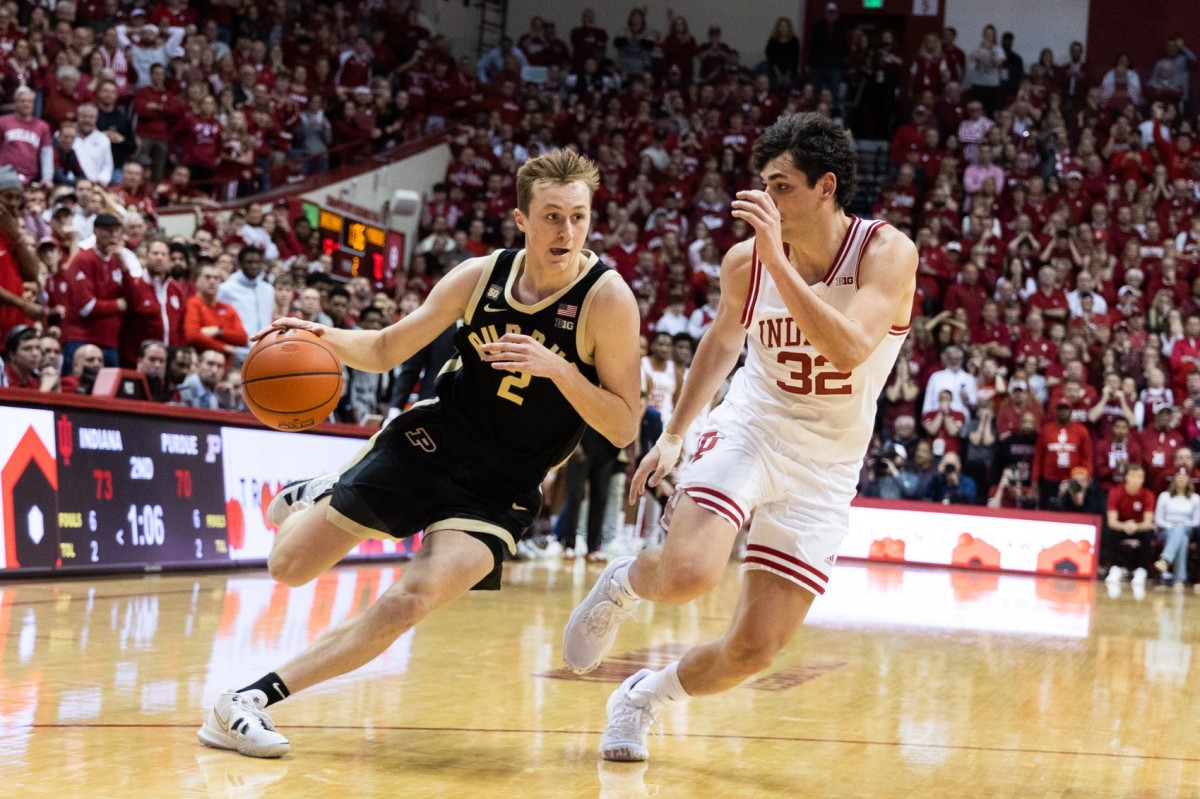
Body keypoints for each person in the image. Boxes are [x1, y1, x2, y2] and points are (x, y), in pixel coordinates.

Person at [197, 149, 641, 758]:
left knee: (412, 598)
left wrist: (560, 370)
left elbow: (620, 426)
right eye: (552, 217)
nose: (566, 232)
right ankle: (321, 491)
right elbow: (384, 348)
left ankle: (245, 703)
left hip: (501, 488)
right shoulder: (480, 277)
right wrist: (317, 336)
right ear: (521, 219)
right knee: (288, 567)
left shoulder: (606, 300)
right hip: (431, 445)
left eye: (579, 217)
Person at [561, 112, 917, 762]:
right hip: (751, 426)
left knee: (754, 650)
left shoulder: (885, 252)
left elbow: (849, 349)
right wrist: (674, 432)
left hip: (827, 466)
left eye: (781, 185)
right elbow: (724, 340)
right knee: (692, 571)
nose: (765, 198)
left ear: (825, 187)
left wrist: (778, 263)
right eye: (763, 182)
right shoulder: (744, 262)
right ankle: (625, 581)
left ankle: (641, 697)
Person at [1104, 463, 1156, 586]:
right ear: (1126, 477)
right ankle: (1114, 568)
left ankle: (1141, 570)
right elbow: (1112, 521)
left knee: (1148, 533)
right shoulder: (1115, 492)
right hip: (1121, 527)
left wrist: (1135, 526)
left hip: (1138, 528)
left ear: (1143, 480)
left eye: (1139, 477)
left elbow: (1147, 522)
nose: (1136, 480)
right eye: (1133, 476)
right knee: (1110, 532)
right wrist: (1124, 526)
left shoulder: (1148, 495)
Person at [1154, 467, 1199, 587]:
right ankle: (1179, 579)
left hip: (1187, 528)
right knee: (1182, 539)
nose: (1182, 480)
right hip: (1166, 529)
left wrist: (1182, 525)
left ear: (1189, 480)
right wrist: (1170, 526)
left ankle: (1165, 559)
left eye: (1185, 477)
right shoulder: (1164, 496)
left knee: (1181, 530)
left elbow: (1197, 521)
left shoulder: (1195, 498)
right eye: (1179, 477)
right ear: (1174, 479)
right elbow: (1158, 518)